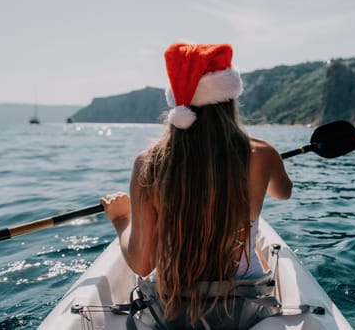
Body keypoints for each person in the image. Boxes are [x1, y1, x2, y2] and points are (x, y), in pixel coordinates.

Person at [101, 43, 292, 327]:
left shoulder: (148, 164)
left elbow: (142, 264)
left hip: (168, 307)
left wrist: (121, 219)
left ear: (178, 103)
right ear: (230, 100)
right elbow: (283, 192)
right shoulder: (262, 154)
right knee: (260, 262)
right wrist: (271, 165)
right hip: (242, 307)